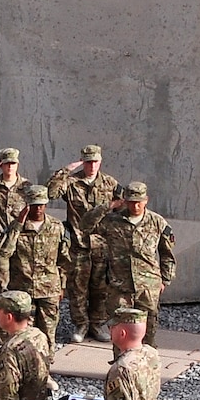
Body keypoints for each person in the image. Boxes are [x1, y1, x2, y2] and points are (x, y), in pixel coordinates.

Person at [46, 145, 119, 340]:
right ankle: (81, 325)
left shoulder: (110, 183)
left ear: (100, 162)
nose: (91, 166)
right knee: (77, 289)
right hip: (78, 245)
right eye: (87, 162)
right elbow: (51, 193)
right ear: (82, 162)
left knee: (100, 288)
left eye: (95, 161)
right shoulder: (71, 183)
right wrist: (66, 170)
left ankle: (97, 325)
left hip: (102, 245)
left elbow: (122, 208)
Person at [87, 182, 175, 342]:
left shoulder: (156, 222)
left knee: (148, 333)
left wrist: (165, 280)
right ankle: (121, 366)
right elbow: (85, 226)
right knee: (121, 333)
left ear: (146, 200)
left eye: (138, 202)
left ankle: (147, 365)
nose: (135, 206)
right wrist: (108, 206)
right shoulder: (111, 221)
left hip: (147, 287)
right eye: (131, 202)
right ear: (125, 201)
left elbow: (167, 253)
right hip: (120, 286)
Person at [0, 184, 72, 349]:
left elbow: (64, 260)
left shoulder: (56, 226)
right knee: (23, 337)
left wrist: (62, 285)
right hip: (23, 288)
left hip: (49, 289)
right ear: (27, 204)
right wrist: (17, 226)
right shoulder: (16, 227)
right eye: (34, 204)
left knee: (48, 335)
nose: (38, 208)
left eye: (41, 204)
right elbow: (4, 253)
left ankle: (45, 367)